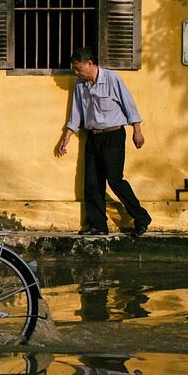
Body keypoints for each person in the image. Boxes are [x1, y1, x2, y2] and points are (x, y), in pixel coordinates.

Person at [54, 47, 152, 236]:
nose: (76, 72)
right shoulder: (79, 85)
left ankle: (141, 218)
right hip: (92, 137)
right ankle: (98, 225)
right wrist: (65, 138)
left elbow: (129, 105)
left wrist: (137, 131)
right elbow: (76, 115)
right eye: (75, 69)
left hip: (113, 135)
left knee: (115, 180)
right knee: (92, 182)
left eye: (79, 68)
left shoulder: (112, 79)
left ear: (90, 64)